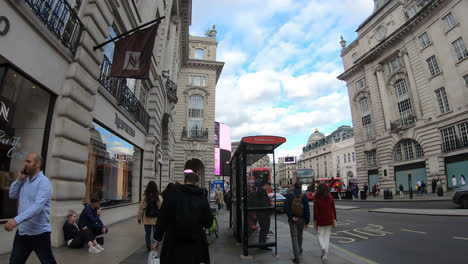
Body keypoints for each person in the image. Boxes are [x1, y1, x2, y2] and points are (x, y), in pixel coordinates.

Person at [5, 153, 57, 263]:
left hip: (39, 233)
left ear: (37, 164)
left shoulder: (44, 182)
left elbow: (37, 207)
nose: (25, 164)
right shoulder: (24, 180)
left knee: (48, 261)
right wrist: (19, 180)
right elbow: (12, 195)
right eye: (25, 161)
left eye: (29, 162)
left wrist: (16, 220)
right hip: (23, 232)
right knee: (14, 261)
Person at [152, 172, 212, 264]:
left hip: (173, 243)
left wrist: (157, 239)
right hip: (195, 244)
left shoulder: (172, 195)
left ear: (184, 181)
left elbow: (162, 218)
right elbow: (208, 222)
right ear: (197, 183)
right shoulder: (202, 197)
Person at [285, 182, 310, 263]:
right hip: (302, 219)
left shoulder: (289, 195)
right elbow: (307, 209)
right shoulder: (304, 196)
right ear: (301, 187)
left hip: (293, 219)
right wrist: (307, 221)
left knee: (294, 237)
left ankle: (297, 257)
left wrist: (291, 216)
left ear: (294, 187)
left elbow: (286, 207)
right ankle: (299, 249)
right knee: (300, 235)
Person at [314, 183, 337, 263]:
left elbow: (315, 212)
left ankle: (323, 248)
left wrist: (315, 222)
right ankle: (325, 256)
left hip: (320, 220)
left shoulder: (317, 198)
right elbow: (333, 209)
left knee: (320, 235)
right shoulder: (330, 197)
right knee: (327, 237)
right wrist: (335, 219)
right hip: (329, 220)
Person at [137, 181, 163, 251]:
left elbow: (141, 209)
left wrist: (139, 218)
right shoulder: (159, 197)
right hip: (155, 219)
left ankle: (148, 245)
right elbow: (161, 209)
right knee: (155, 233)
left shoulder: (145, 197)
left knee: (147, 233)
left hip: (146, 218)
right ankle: (155, 245)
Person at [257, 181, 273, 250]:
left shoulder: (260, 191)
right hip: (264, 214)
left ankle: (262, 244)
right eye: (269, 186)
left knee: (263, 229)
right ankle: (262, 245)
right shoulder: (262, 192)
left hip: (262, 213)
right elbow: (264, 204)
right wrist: (270, 205)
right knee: (264, 229)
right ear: (266, 185)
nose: (270, 188)